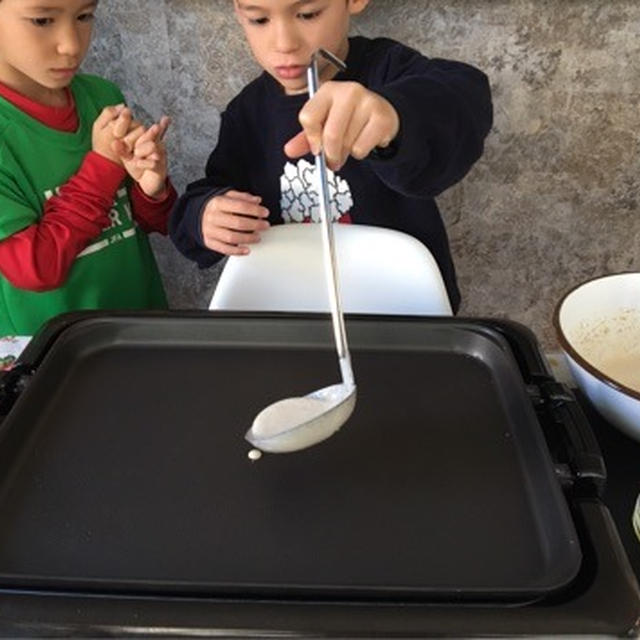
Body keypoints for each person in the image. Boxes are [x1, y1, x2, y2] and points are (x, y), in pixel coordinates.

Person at [170, 0, 493, 311]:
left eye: (308, 14)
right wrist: (205, 215)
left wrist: (393, 116)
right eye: (259, 19)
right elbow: (201, 204)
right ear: (238, 12)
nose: (284, 44)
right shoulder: (246, 115)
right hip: (290, 315)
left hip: (402, 310)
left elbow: (465, 97)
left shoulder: (388, 70)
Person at [0, 0, 177, 338]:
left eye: (84, 16)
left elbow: (154, 223)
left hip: (142, 332)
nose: (71, 45)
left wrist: (151, 190)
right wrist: (103, 166)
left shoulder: (101, 96)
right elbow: (36, 268)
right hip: (53, 363)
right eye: (42, 20)